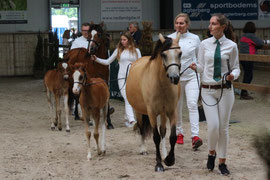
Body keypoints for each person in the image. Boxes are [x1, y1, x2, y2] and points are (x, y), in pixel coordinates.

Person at [190, 14, 240, 175]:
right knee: (213, 126)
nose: (210, 26)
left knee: (223, 128)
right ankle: (211, 152)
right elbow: (201, 66)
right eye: (210, 23)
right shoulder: (204, 44)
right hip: (207, 89)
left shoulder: (231, 45)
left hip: (225, 90)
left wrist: (234, 75)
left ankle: (222, 162)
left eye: (214, 24)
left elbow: (236, 67)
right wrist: (195, 67)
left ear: (223, 26)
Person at [168, 13, 203, 150]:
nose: (179, 26)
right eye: (177, 23)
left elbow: (200, 58)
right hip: (175, 78)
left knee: (192, 104)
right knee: (177, 106)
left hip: (192, 76)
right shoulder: (169, 38)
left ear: (187, 24)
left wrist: (198, 68)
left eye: (182, 23)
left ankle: (195, 136)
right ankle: (179, 133)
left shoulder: (195, 39)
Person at [92, 31, 142, 127]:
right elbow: (107, 62)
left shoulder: (137, 51)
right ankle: (132, 120)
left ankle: (127, 118)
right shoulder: (119, 50)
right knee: (127, 98)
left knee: (132, 99)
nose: (122, 42)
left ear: (129, 40)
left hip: (134, 78)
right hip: (121, 78)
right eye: (121, 40)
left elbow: (140, 63)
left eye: (124, 40)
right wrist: (96, 59)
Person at [239, 22, 264, 100]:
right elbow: (260, 43)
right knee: (248, 75)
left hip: (243, 58)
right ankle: (243, 92)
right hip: (249, 58)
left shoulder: (243, 36)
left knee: (247, 74)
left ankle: (244, 91)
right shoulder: (251, 36)